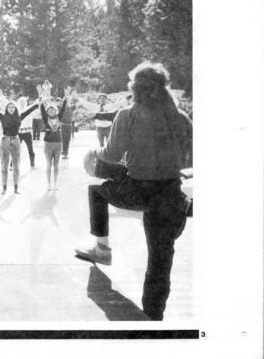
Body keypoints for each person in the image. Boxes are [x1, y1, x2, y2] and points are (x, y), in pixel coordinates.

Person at [74, 61, 193, 321]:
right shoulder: (181, 118)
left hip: (137, 190)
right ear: (164, 88)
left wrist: (95, 153)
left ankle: (102, 248)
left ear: (134, 89)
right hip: (169, 194)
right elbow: (190, 159)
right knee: (160, 266)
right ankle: (154, 319)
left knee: (96, 190)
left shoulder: (128, 114)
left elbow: (111, 154)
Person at [0, 97, 39, 194]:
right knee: (4, 166)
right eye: (9, 107)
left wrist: (37, 104)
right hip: (5, 140)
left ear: (15, 108)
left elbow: (30, 110)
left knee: (16, 166)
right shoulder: (2, 116)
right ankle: (4, 188)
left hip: (16, 140)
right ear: (6, 108)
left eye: (13, 107)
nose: (11, 109)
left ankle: (16, 188)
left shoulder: (19, 116)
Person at [40, 87, 71, 190]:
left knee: (56, 165)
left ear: (56, 111)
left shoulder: (59, 117)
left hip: (58, 144)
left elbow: (63, 108)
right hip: (48, 144)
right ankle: (48, 184)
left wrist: (66, 97)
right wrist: (41, 97)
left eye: (53, 109)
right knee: (49, 165)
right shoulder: (45, 118)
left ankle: (55, 183)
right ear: (47, 111)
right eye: (49, 109)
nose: (51, 111)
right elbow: (42, 109)